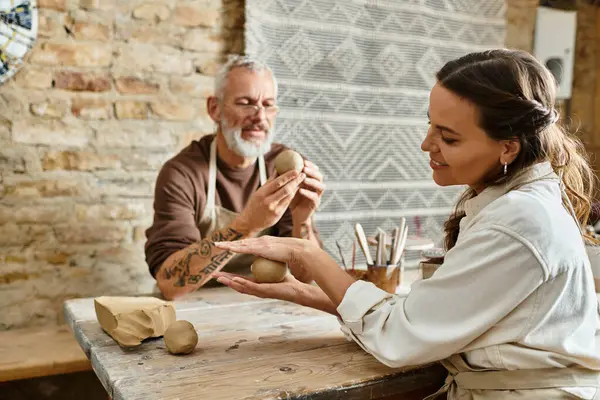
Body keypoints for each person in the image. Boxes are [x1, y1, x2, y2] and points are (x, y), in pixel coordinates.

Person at [213, 49, 600, 399]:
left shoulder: (519, 221)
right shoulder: (512, 204)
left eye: (447, 137)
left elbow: (401, 337)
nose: (426, 144)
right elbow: (428, 314)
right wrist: (303, 293)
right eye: (430, 125)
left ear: (508, 147)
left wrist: (309, 255)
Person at [144, 55, 325, 300]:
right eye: (246, 103)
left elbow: (305, 277)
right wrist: (247, 225)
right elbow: (171, 283)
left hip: (264, 304)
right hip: (194, 304)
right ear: (214, 109)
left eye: (268, 104)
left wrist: (302, 219)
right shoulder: (182, 173)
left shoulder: (283, 166)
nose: (260, 117)